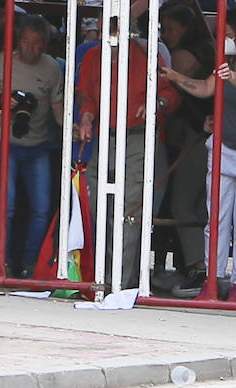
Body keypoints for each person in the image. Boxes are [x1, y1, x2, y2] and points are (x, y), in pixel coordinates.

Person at [161, 7, 236, 303]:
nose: (223, 40)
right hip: (224, 147)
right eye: (222, 36)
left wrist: (229, 74)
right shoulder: (224, 64)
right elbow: (204, 89)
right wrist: (174, 76)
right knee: (215, 219)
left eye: (228, 35)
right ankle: (211, 282)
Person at [77, 20, 179, 290]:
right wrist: (87, 119)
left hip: (136, 138)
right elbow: (87, 96)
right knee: (98, 206)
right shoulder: (93, 56)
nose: (107, 37)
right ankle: (101, 275)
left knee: (129, 211)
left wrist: (156, 103)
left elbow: (169, 93)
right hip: (104, 138)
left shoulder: (147, 57)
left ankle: (120, 281)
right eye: (104, 32)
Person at [0, 14, 64, 278]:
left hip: (38, 144)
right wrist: (4, 100)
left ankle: (30, 264)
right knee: (5, 206)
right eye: (25, 41)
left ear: (45, 45)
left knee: (41, 208)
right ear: (18, 41)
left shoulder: (52, 68)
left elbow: (57, 107)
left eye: (37, 42)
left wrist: (71, 128)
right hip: (4, 141)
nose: (30, 47)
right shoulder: (2, 61)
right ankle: (1, 261)